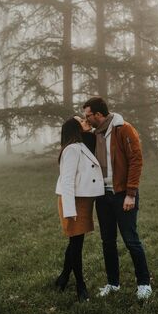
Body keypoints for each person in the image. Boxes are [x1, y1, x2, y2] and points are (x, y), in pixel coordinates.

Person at [83, 97, 152, 300]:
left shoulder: (124, 129)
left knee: (131, 240)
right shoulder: (94, 134)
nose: (87, 120)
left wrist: (131, 193)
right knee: (107, 241)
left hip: (123, 194)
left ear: (98, 114)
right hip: (102, 196)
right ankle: (113, 284)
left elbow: (136, 160)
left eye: (89, 116)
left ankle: (144, 284)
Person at [55, 117, 104, 302]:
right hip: (72, 201)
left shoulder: (81, 145)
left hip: (82, 200)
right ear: (76, 127)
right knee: (76, 244)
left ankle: (63, 278)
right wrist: (70, 210)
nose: (86, 121)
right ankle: (80, 285)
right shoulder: (73, 149)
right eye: (81, 120)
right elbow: (67, 180)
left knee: (75, 243)